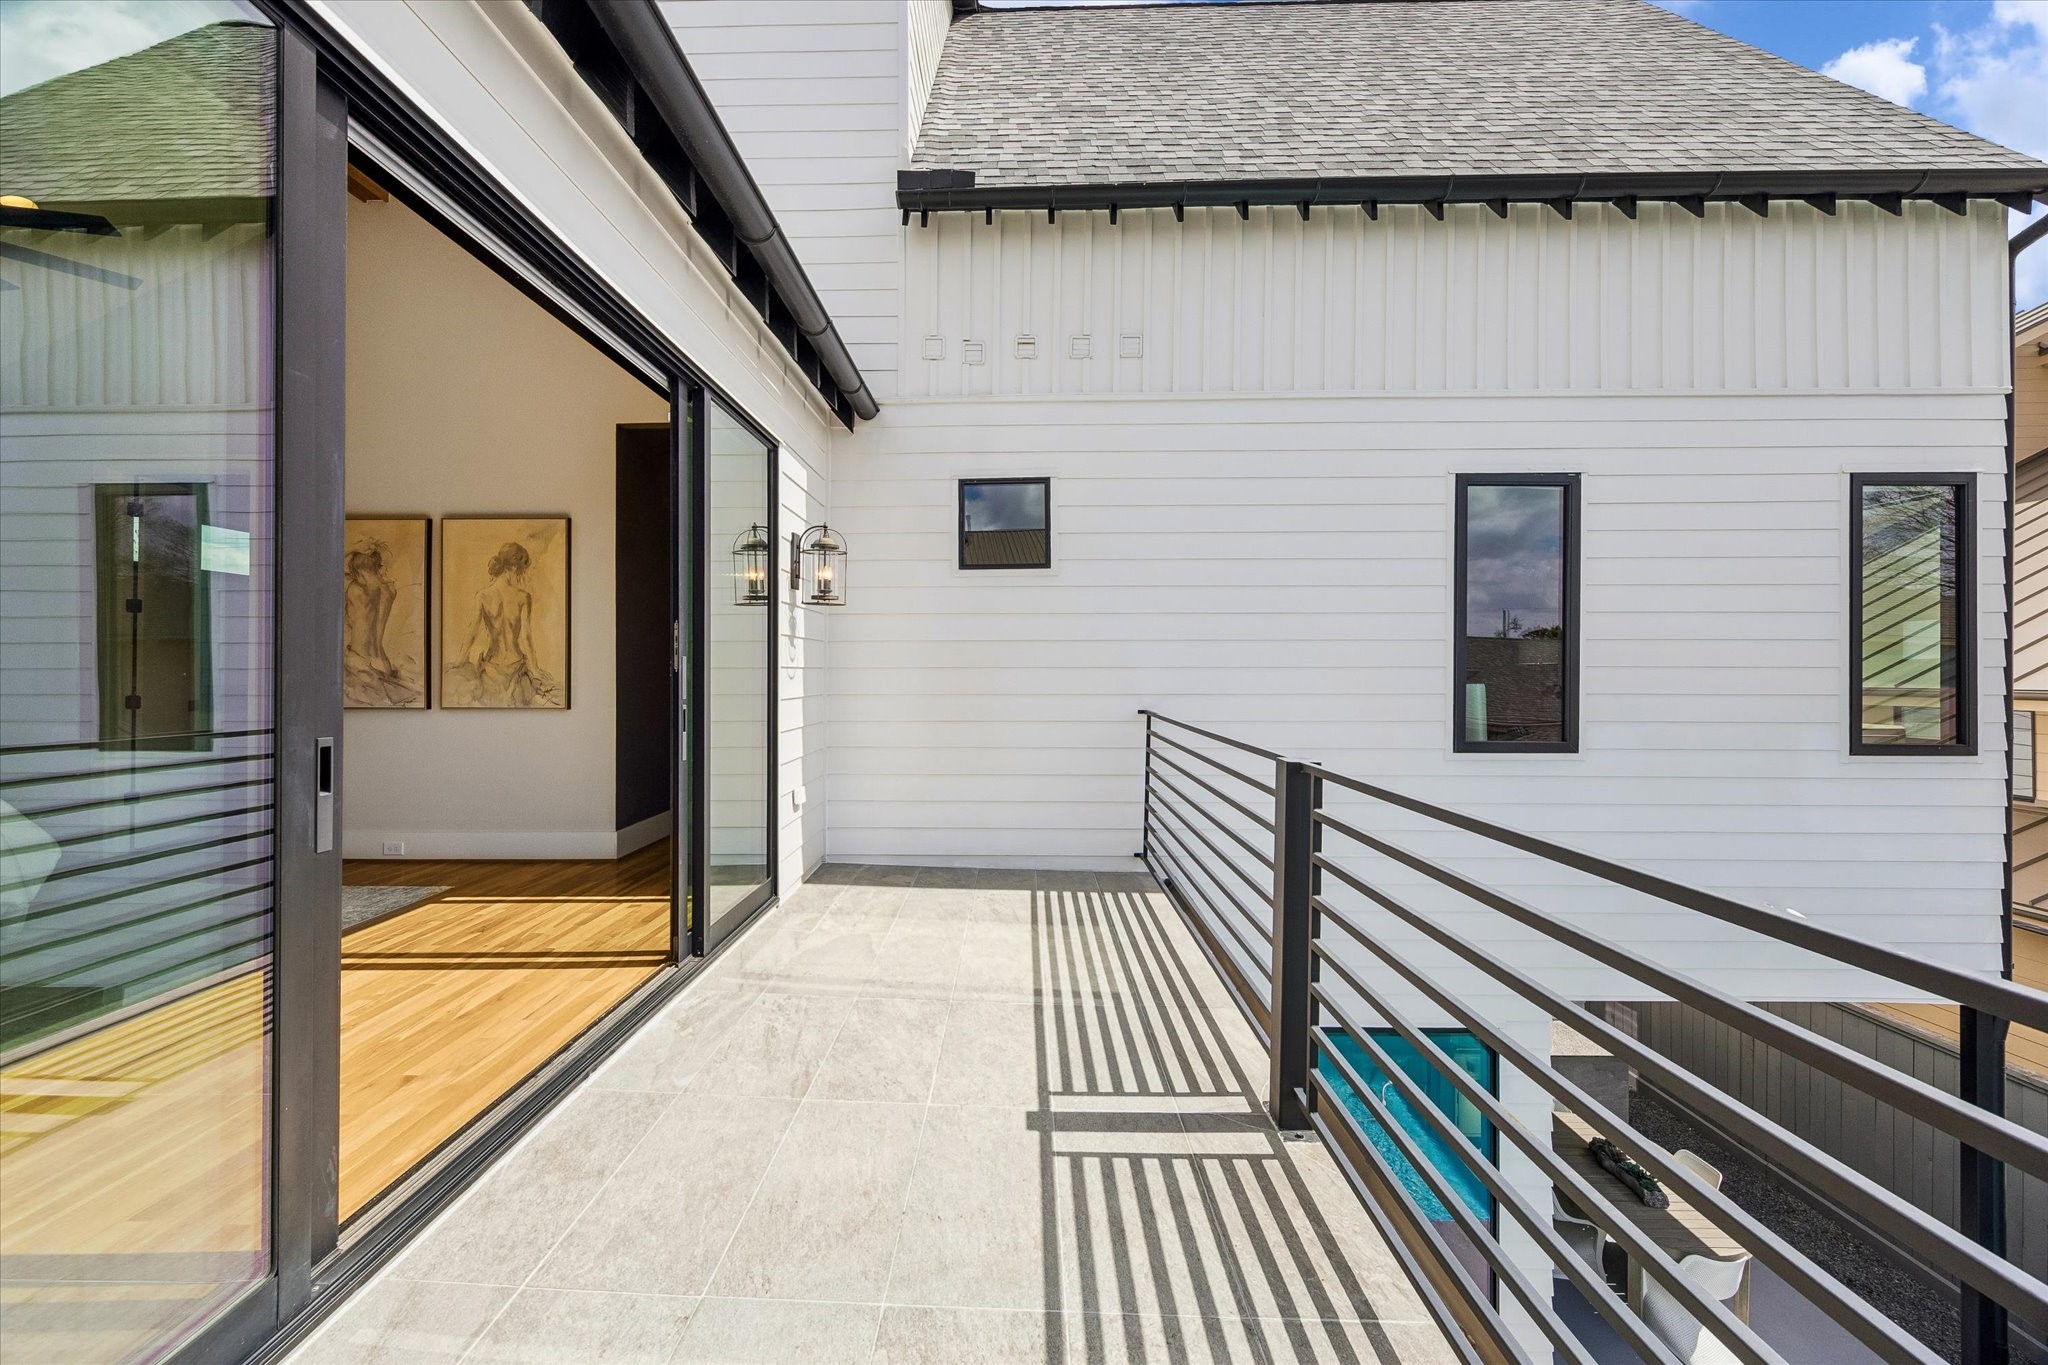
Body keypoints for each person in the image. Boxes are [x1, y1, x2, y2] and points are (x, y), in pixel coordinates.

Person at [447, 540, 559, 707]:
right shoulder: (523, 597)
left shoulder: (483, 596)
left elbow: (472, 632)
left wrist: (460, 661)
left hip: (490, 668)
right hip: (516, 667)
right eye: (522, 570)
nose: (522, 575)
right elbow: (526, 637)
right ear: (513, 568)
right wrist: (534, 669)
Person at [343, 541, 422, 707]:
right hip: (383, 663)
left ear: (357, 566)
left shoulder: (355, 590)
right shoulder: (389, 590)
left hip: (360, 660)